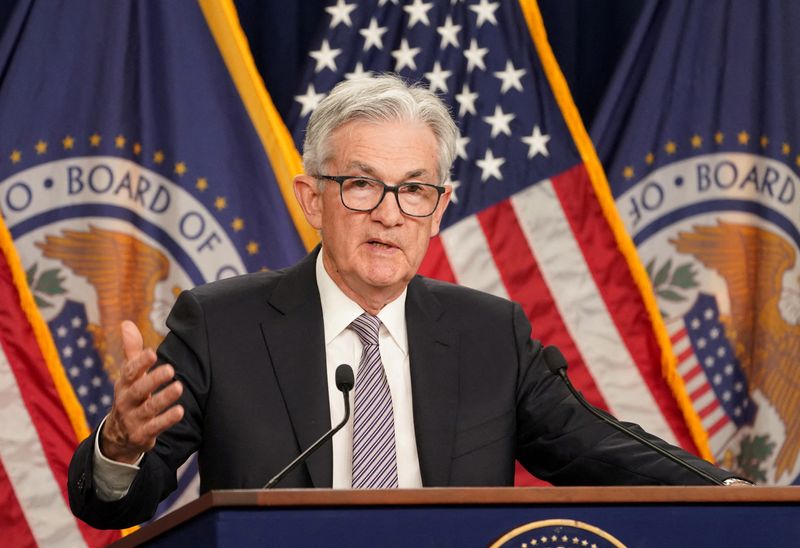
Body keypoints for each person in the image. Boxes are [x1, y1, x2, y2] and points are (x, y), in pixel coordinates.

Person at [68, 74, 744, 530]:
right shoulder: (221, 325)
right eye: (361, 185)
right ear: (313, 199)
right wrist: (120, 447)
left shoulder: (491, 334)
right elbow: (113, 504)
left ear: (440, 206)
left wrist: (733, 495)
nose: (390, 214)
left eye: (414, 190)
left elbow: (599, 447)